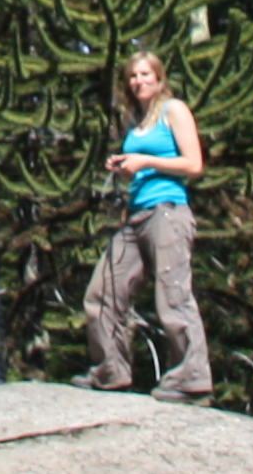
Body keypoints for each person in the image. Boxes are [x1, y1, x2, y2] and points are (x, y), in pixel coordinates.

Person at [84, 48, 212, 400]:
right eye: (133, 76)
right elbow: (141, 164)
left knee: (173, 294)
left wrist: (145, 161)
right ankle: (111, 370)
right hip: (136, 215)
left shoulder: (174, 110)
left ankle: (192, 377)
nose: (138, 81)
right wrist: (127, 165)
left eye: (145, 74)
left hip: (167, 211)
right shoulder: (135, 121)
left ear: (159, 78)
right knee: (104, 289)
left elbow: (194, 163)